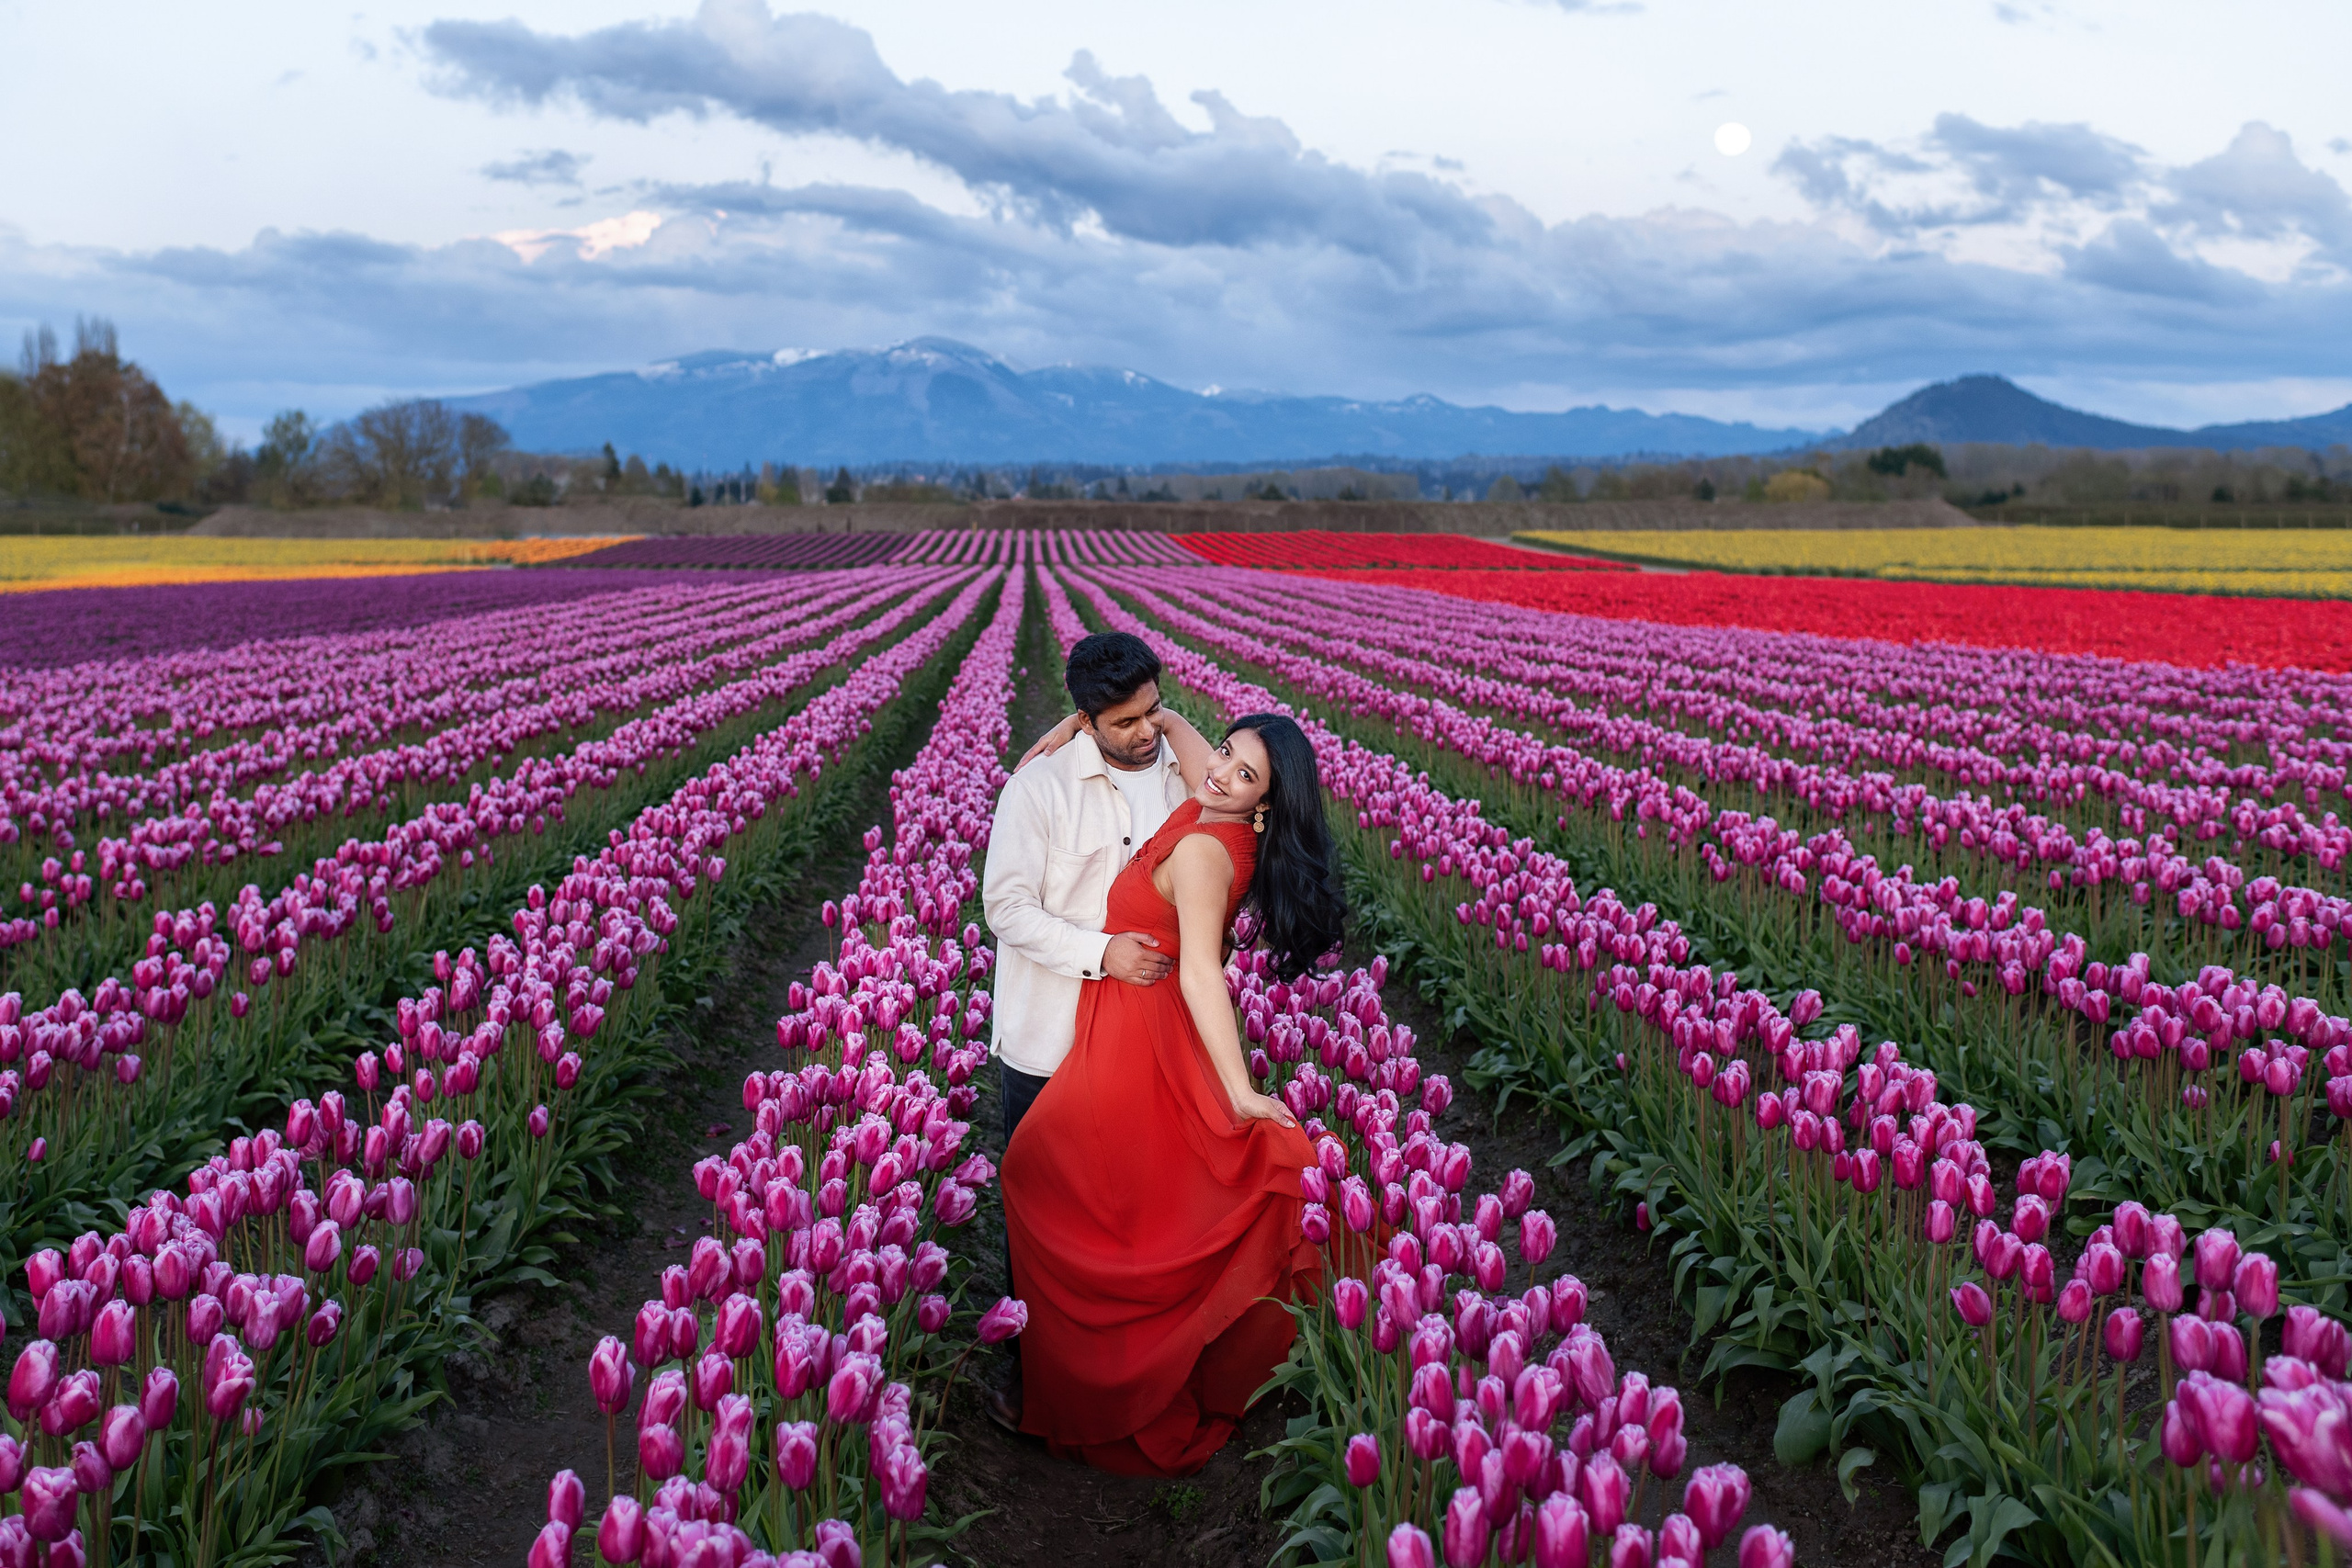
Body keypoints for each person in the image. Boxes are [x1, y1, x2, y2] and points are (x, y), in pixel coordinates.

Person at [999, 708, 1346, 1476]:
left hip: (1140, 1034)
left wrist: (1243, 1091)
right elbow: (1181, 732)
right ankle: (1082, 1366)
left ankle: (1113, 1384)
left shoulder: (1201, 850)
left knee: (1048, 1180)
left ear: (1264, 803)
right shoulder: (1218, 809)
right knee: (1122, 1200)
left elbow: (1199, 973)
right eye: (1227, 751)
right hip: (1128, 1019)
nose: (1219, 770)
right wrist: (1079, 721)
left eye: (1244, 773)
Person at [979, 632, 1208, 1424]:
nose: (1143, 732)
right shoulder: (1038, 788)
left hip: (1148, 1037)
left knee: (1134, 1208)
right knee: (1040, 1208)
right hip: (1051, 1034)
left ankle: (1130, 1377)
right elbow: (1005, 909)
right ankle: (1029, 1368)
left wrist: (1174, 726)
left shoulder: (1182, 774)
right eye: (1123, 722)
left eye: (1152, 711)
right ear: (1084, 718)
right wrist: (1098, 952)